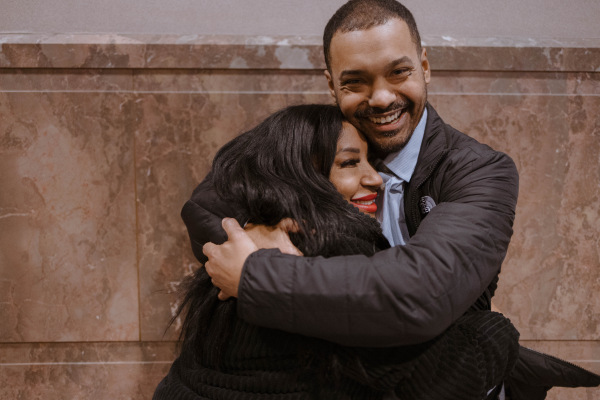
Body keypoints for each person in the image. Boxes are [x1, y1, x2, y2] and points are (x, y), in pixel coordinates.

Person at [188, 1, 600, 398]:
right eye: (356, 82)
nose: (382, 98)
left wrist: (258, 275)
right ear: (332, 84)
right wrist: (249, 234)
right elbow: (207, 205)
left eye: (398, 72)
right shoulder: (308, 144)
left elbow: (422, 293)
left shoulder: (479, 170)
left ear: (423, 66)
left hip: (438, 377)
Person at [155, 104, 519, 399]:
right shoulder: (334, 247)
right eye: (349, 163)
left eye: (371, 162)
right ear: (300, 175)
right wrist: (496, 326)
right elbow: (435, 378)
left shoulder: (243, 247)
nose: (377, 178)